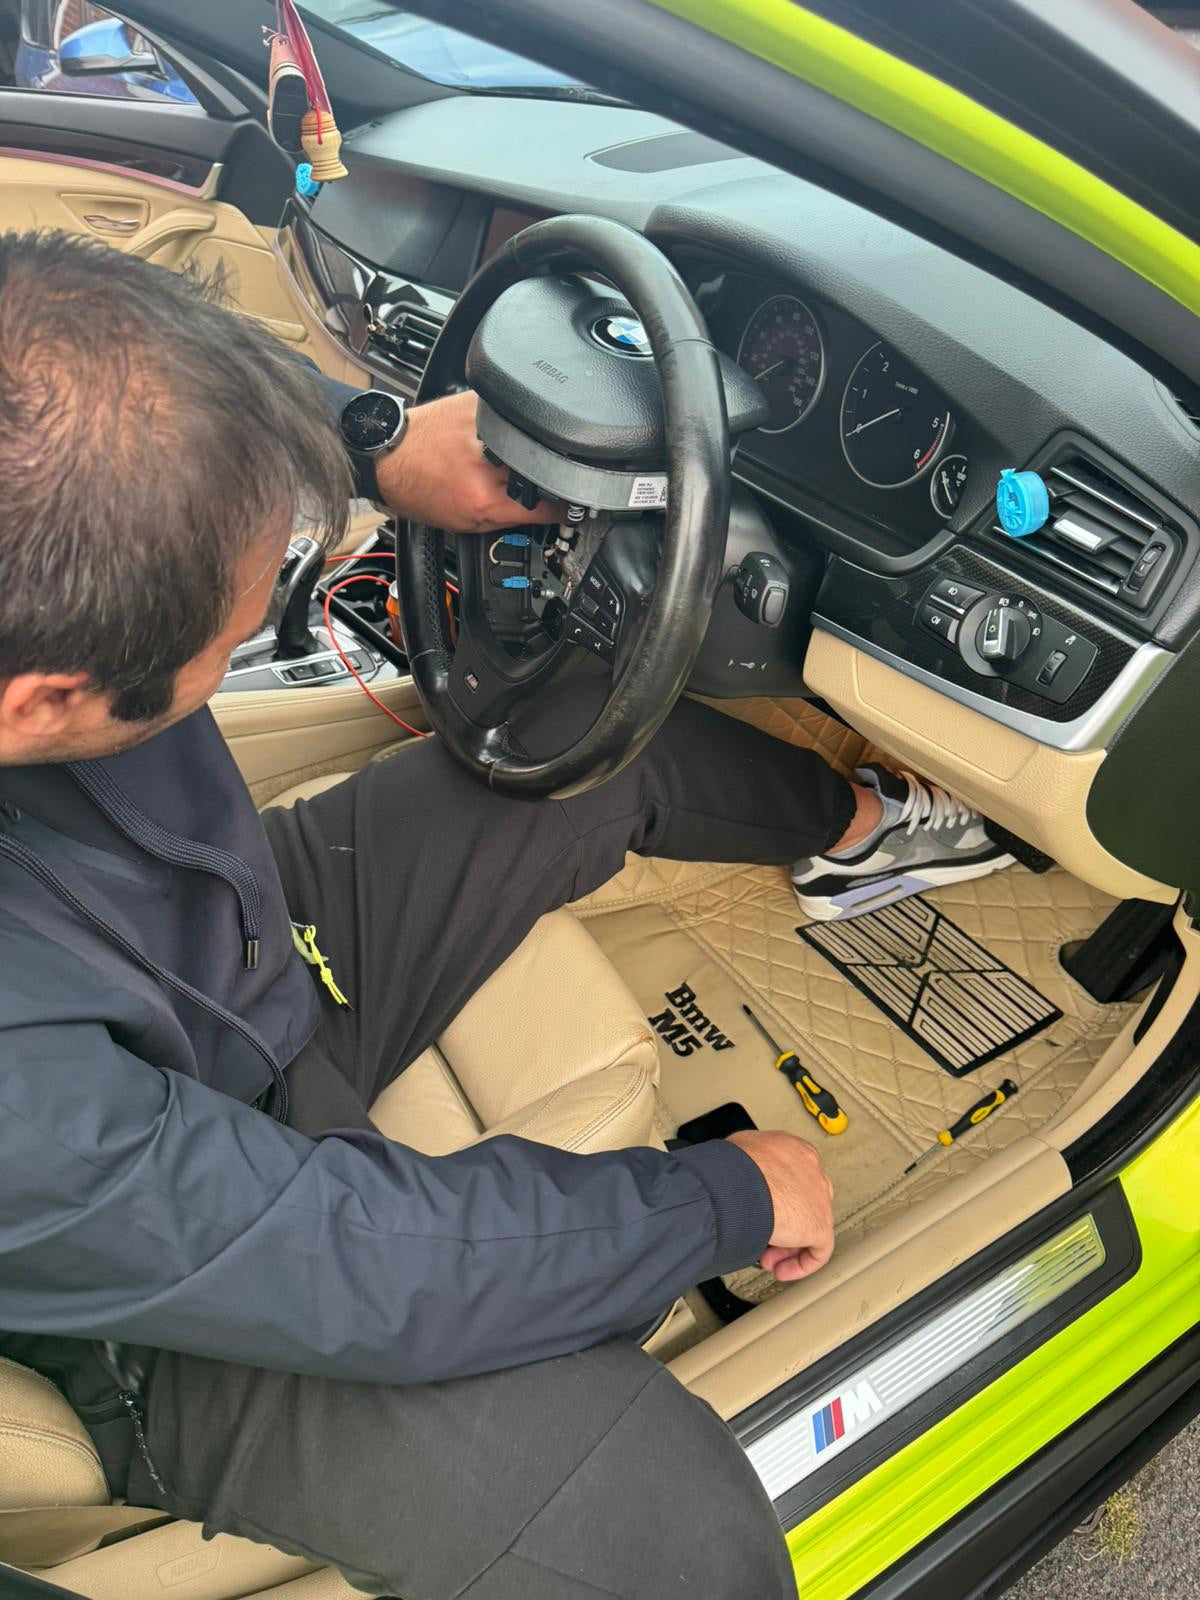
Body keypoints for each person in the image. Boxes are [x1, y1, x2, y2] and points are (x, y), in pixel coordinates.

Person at [0, 231, 1011, 1599]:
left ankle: (863, 834)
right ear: (45, 703)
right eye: (230, 645)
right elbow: (351, 1256)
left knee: (592, 736)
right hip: (161, 1296)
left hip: (214, 961)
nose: (245, 639)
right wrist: (714, 1197)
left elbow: (102, 400)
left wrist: (373, 442)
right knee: (673, 1543)